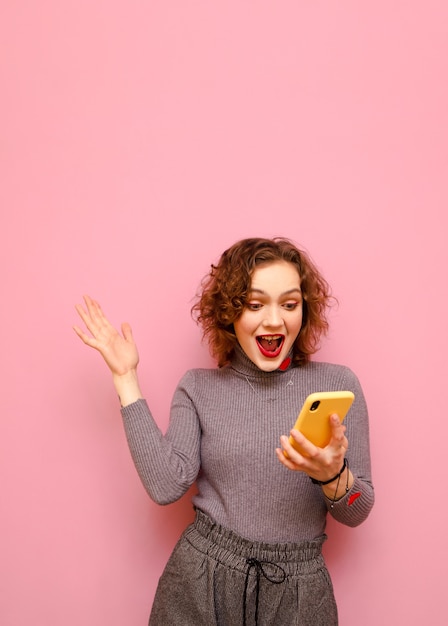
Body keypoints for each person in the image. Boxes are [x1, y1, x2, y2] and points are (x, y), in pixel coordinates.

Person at [74, 237, 374, 626]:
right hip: (202, 580)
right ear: (230, 312)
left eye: (289, 304)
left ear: (305, 309)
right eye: (254, 304)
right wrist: (125, 377)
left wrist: (333, 476)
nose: (273, 320)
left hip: (299, 594)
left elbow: (358, 510)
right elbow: (166, 486)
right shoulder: (198, 388)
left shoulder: (338, 386)